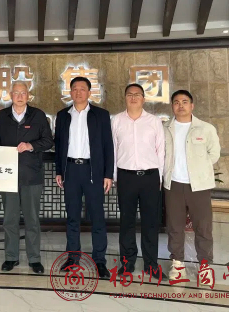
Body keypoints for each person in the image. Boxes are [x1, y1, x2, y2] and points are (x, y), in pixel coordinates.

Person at [0, 81, 54, 274]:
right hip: (7, 176)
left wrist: (30, 146)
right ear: (10, 95)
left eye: (23, 93)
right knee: (9, 219)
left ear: (28, 95)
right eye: (16, 93)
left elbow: (48, 141)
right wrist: (3, 153)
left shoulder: (38, 115)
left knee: (32, 219)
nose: (19, 96)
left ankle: (34, 259)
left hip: (31, 175)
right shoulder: (2, 116)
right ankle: (11, 257)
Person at [54, 77, 113, 279]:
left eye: (82, 89)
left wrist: (108, 174)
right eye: (74, 89)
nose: (78, 92)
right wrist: (59, 171)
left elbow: (108, 145)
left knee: (97, 217)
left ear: (89, 92)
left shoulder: (101, 115)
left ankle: (99, 260)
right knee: (72, 217)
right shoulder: (63, 116)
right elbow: (59, 145)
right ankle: (73, 258)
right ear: (70, 92)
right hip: (70, 170)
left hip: (93, 171)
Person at [163, 90, 220, 279]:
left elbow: (214, 154)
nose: (180, 105)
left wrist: (199, 170)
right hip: (173, 184)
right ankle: (177, 264)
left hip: (199, 186)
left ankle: (205, 266)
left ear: (192, 105)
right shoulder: (165, 128)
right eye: (176, 102)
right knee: (174, 226)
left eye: (185, 101)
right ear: (172, 106)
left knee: (203, 227)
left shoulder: (205, 129)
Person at [112, 83, 166, 278]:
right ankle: (127, 263)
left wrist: (159, 177)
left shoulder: (154, 121)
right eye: (130, 94)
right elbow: (113, 149)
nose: (133, 97)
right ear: (125, 98)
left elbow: (161, 150)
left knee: (150, 223)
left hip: (150, 177)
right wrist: (115, 177)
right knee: (126, 221)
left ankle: (151, 264)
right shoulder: (116, 121)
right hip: (125, 177)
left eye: (137, 95)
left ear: (143, 99)